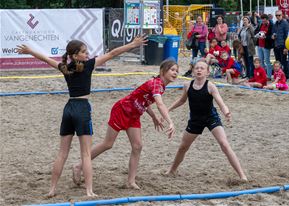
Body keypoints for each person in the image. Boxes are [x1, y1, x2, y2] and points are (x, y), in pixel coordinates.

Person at [16, 35, 147, 197]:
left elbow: (45, 58)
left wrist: (29, 51)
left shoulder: (64, 67)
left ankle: (52, 189)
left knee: (62, 153)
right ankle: (89, 191)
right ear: (76, 55)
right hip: (82, 108)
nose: (87, 54)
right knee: (85, 154)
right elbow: (113, 53)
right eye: (84, 52)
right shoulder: (89, 65)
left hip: (68, 108)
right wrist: (132, 45)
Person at [73, 59, 178, 189]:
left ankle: (131, 181)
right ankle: (79, 166)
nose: (175, 73)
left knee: (137, 146)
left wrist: (154, 116)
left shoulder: (160, 86)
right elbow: (160, 104)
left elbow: (145, 101)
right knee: (108, 144)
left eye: (177, 71)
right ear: (163, 71)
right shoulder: (156, 84)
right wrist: (170, 122)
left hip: (134, 115)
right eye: (172, 70)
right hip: (122, 110)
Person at [165, 60, 248, 181]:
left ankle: (242, 175)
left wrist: (226, 112)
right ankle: (172, 170)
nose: (199, 70)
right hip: (195, 120)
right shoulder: (187, 85)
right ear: (193, 71)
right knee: (183, 147)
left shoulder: (210, 86)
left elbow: (220, 102)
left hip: (211, 117)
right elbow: (182, 100)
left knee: (224, 144)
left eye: (202, 68)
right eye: (197, 68)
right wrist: (168, 109)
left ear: (207, 72)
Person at [255, 14, 274, 80]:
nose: (263, 22)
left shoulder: (271, 25)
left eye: (264, 21)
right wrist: (259, 34)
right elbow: (256, 31)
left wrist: (265, 36)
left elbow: (272, 36)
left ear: (267, 20)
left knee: (267, 61)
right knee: (261, 61)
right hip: (259, 45)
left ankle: (269, 76)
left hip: (266, 46)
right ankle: (263, 75)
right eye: (262, 21)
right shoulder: (260, 24)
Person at [273, 10, 289, 79]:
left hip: (283, 45)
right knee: (278, 62)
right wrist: (273, 36)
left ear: (282, 15)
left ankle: (286, 76)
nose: (278, 17)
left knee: (284, 62)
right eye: (276, 15)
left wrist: (286, 47)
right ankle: (279, 76)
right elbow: (273, 33)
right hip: (276, 45)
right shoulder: (275, 24)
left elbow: (287, 36)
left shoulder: (285, 24)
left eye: (279, 15)